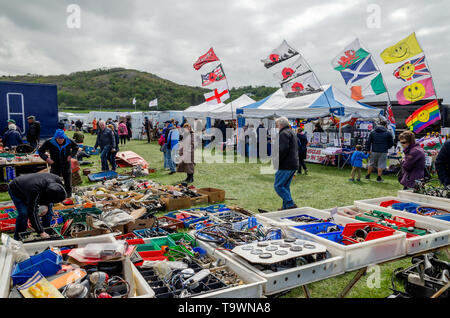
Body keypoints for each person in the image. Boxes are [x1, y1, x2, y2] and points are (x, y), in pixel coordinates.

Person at [8, 173, 67, 241]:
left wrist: (46, 204)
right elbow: (32, 212)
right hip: (16, 189)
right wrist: (40, 232)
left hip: (33, 186)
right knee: (24, 213)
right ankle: (18, 237)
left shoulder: (57, 180)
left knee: (49, 211)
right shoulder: (34, 190)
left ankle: (47, 231)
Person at [38, 129, 79, 198]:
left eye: (62, 139)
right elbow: (40, 151)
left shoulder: (68, 140)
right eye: (59, 139)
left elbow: (76, 147)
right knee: (53, 181)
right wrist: (47, 158)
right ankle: (55, 196)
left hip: (66, 164)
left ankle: (68, 197)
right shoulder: (50, 141)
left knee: (68, 182)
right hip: (55, 164)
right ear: (55, 138)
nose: (61, 141)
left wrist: (71, 155)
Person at [273, 117, 299, 210]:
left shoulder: (284, 133)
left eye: (276, 125)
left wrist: (276, 160)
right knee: (285, 186)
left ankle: (290, 204)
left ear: (280, 125)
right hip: (293, 163)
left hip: (286, 164)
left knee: (278, 186)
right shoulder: (291, 132)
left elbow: (282, 149)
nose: (276, 127)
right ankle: (286, 207)